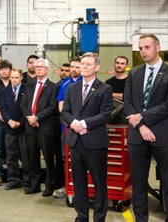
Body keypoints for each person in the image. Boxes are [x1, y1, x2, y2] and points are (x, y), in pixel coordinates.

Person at [124, 34, 168, 222]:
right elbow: (128, 102)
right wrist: (141, 126)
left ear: (158, 47)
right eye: (140, 48)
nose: (143, 51)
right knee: (139, 183)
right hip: (137, 135)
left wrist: (142, 117)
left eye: (147, 47)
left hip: (163, 135)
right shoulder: (134, 73)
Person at [61, 52, 112, 222]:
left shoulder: (104, 89)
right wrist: (74, 123)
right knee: (79, 184)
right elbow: (65, 111)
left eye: (88, 64)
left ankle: (99, 218)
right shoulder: (71, 88)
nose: (84, 67)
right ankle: (81, 216)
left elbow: (106, 114)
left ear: (96, 67)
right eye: (82, 63)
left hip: (95, 143)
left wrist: (83, 124)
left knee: (99, 184)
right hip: (76, 143)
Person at [22, 59, 63, 196]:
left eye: (41, 67)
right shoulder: (29, 86)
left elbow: (52, 107)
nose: (38, 69)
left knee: (49, 158)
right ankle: (34, 185)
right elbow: (24, 105)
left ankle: (50, 185)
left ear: (47, 69)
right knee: (32, 158)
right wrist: (29, 117)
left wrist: (37, 118)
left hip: (46, 127)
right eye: (36, 66)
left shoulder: (53, 87)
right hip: (31, 126)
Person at [54, 56, 82, 199]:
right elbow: (61, 105)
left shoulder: (86, 82)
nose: (74, 69)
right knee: (66, 159)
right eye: (72, 67)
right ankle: (68, 187)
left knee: (82, 159)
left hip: (84, 130)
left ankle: (82, 188)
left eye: (78, 67)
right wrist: (70, 122)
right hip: (67, 129)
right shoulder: (65, 84)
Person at [0, 68, 27, 190]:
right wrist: (9, 121)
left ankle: (27, 180)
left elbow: (28, 108)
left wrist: (20, 122)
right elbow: (2, 108)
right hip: (9, 128)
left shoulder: (27, 89)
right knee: (11, 156)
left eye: (17, 77)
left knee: (25, 155)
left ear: (21, 77)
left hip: (23, 127)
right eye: (12, 77)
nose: (14, 80)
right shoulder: (5, 91)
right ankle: (13, 179)